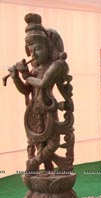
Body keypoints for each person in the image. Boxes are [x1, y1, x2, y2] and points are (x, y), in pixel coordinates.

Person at [8, 13, 75, 173]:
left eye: (37, 48)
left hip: (49, 110)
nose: (34, 54)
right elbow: (25, 90)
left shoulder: (56, 65)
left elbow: (44, 82)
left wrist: (25, 76)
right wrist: (16, 77)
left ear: (49, 46)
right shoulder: (35, 69)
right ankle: (46, 169)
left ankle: (36, 162)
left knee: (52, 143)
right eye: (31, 50)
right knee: (38, 144)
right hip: (34, 112)